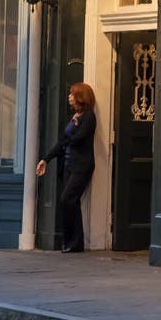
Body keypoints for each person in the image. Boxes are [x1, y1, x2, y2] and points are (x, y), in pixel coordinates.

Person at [36, 82, 96, 253]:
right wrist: (45, 160)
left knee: (67, 198)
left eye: (72, 94)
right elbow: (61, 142)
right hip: (69, 165)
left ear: (81, 97)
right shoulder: (74, 117)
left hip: (82, 166)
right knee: (72, 201)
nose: (69, 97)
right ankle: (74, 243)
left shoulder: (89, 117)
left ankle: (73, 242)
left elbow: (78, 138)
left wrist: (73, 130)